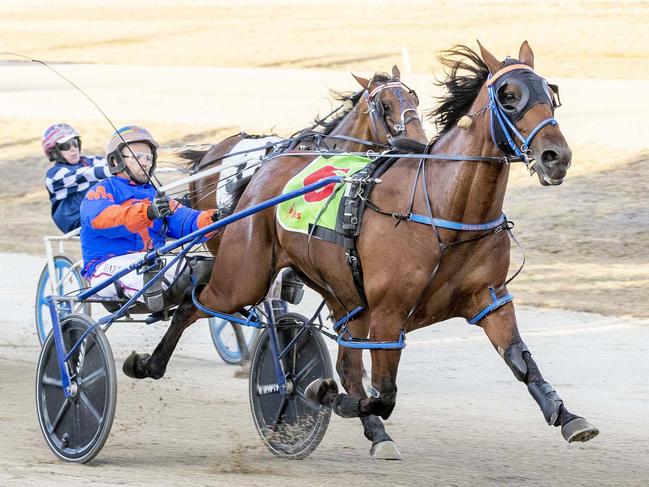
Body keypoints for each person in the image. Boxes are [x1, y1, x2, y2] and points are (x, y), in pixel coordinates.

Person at [80, 125, 217, 310]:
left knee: (202, 267)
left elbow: (188, 221)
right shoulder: (102, 191)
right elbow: (103, 220)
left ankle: (165, 291)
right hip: (106, 265)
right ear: (116, 161)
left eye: (149, 158)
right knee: (153, 270)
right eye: (138, 157)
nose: (145, 163)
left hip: (151, 261)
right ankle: (157, 288)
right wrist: (147, 213)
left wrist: (214, 218)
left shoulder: (156, 196)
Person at [43, 123, 111, 233]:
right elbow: (85, 174)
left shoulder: (91, 160)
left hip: (102, 213)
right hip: (77, 220)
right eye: (65, 146)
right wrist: (112, 169)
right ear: (54, 152)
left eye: (75, 143)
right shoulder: (54, 175)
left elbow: (111, 163)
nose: (73, 149)